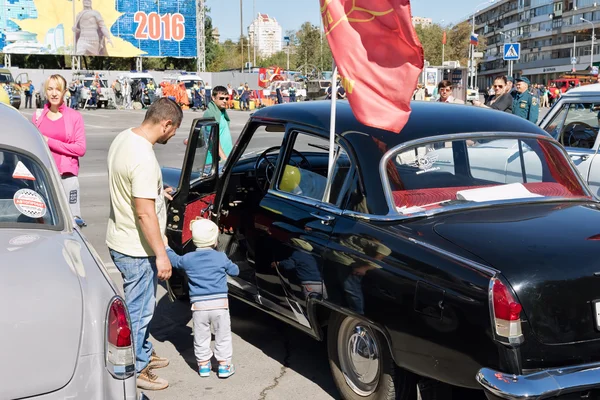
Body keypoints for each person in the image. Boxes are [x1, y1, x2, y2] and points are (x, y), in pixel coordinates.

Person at [106, 98, 182, 390]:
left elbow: (130, 188)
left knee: (138, 307)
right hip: (136, 249)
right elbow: (143, 212)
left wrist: (155, 191)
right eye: (173, 129)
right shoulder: (144, 158)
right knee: (139, 311)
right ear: (165, 124)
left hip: (119, 238)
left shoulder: (125, 138)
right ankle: (135, 369)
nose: (172, 134)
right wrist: (161, 255)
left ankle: (143, 352)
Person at [165, 218, 239, 378]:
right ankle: (224, 366)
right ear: (215, 240)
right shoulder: (221, 257)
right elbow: (235, 271)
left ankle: (204, 365)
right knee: (223, 335)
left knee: (201, 336)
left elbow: (175, 260)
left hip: (199, 307)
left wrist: (166, 247)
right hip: (220, 306)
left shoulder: (188, 259)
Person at [32, 74, 86, 218]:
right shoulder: (37, 116)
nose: (54, 93)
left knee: (72, 220)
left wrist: (49, 142)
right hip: (43, 176)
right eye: (50, 89)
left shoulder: (74, 117)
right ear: (45, 91)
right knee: (43, 219)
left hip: (66, 177)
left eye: (58, 89)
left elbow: (80, 149)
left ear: (64, 92)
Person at [204, 86, 233, 163]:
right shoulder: (210, 113)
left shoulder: (222, 112)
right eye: (221, 98)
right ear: (213, 98)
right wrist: (223, 157)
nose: (224, 101)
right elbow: (212, 138)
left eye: (226, 98)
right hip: (216, 160)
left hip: (226, 156)